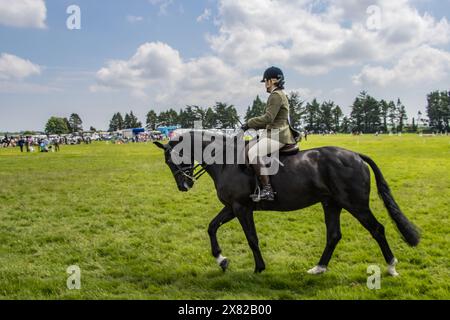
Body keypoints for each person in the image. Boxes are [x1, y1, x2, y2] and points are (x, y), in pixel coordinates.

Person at [241, 66, 298, 201]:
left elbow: (268, 118)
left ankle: (268, 190)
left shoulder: (276, 95)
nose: (265, 84)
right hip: (274, 132)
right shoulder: (279, 94)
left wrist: (249, 123)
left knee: (253, 153)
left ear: (272, 80)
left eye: (265, 81)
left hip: (279, 135)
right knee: (249, 148)